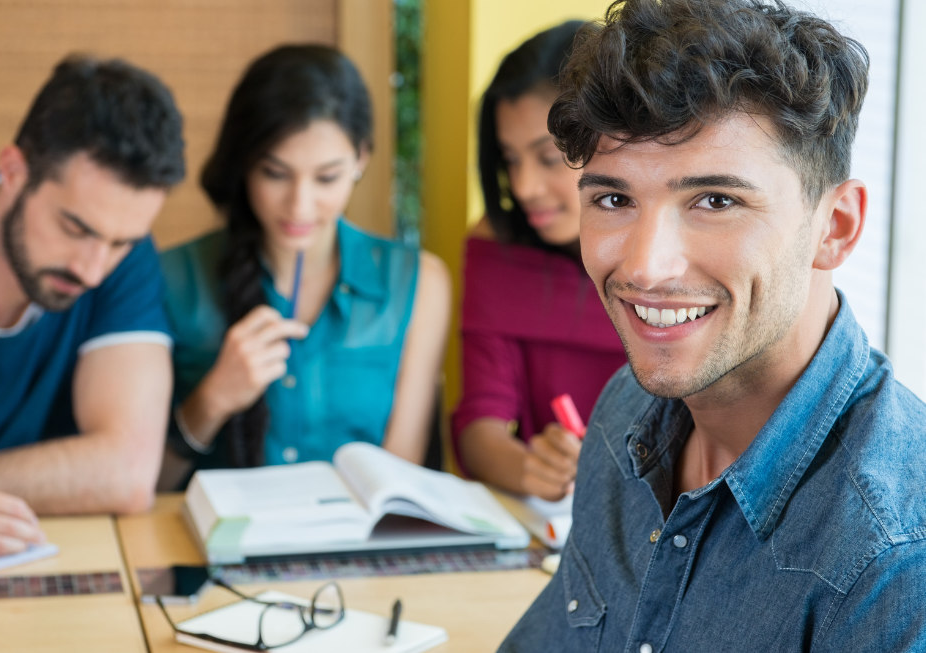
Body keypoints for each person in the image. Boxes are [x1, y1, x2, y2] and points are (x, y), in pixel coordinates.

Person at [501, 0, 926, 650]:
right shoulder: (625, 411)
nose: (646, 267)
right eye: (614, 199)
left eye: (716, 201)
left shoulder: (894, 557)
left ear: (835, 228)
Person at [158, 45, 450, 488]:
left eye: (326, 177)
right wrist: (213, 400)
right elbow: (146, 484)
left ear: (361, 158)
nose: (300, 205)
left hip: (355, 553)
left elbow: (399, 482)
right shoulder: (171, 277)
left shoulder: (419, 284)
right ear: (245, 165)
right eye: (275, 173)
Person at [0, 55, 186, 523]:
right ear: (14, 172)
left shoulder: (123, 257)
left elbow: (128, 472)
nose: (94, 271)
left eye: (120, 242)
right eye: (74, 228)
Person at [451, 21, 626, 501]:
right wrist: (532, 469)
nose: (523, 187)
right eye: (510, 160)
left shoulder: (670, 263)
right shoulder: (498, 247)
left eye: (547, 159)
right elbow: (478, 428)